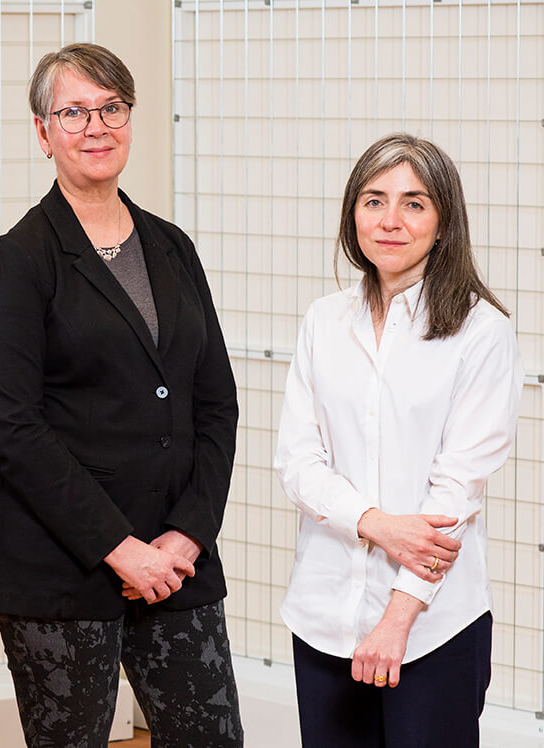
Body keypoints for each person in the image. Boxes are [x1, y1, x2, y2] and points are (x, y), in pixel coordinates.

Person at [0, 43, 244, 747]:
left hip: (176, 559)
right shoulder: (21, 259)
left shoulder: (173, 247)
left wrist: (187, 535)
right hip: (59, 565)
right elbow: (16, 426)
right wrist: (122, 549)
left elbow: (215, 403)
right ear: (43, 132)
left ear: (130, 118)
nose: (96, 126)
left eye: (111, 107)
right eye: (74, 112)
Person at [275, 133, 523, 746]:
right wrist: (377, 523)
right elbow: (298, 463)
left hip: (433, 624)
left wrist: (396, 620)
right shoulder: (324, 321)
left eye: (414, 203)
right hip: (323, 615)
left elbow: (455, 492)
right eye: (373, 199)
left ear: (443, 223)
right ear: (351, 213)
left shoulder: (481, 332)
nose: (390, 221)